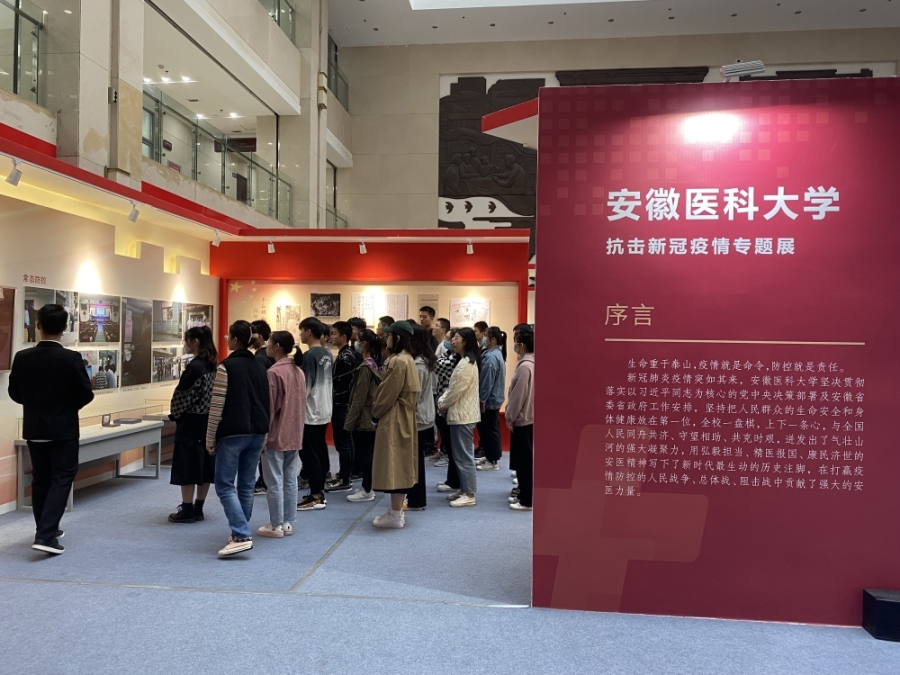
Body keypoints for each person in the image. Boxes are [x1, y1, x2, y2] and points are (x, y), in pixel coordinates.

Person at [8, 304, 94, 554]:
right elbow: (86, 394)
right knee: (62, 477)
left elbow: (14, 392)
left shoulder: (22, 357)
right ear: (65, 328)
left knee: (41, 478)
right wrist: (66, 408)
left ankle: (45, 528)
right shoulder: (71, 358)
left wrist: (35, 405)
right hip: (63, 429)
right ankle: (46, 535)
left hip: (34, 427)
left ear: (38, 326)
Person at [206, 320, 270, 557]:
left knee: (224, 484)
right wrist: (265, 435)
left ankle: (241, 533)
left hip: (232, 432)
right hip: (257, 432)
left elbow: (216, 406)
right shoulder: (260, 366)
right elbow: (266, 402)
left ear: (234, 340)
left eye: (228, 336)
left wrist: (210, 436)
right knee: (246, 484)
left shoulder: (225, 367)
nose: (226, 339)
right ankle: (240, 530)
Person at [370, 321, 420, 528]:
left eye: (389, 336)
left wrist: (375, 414)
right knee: (401, 462)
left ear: (397, 338)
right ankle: (396, 510)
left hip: (394, 417)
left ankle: (396, 514)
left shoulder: (397, 361)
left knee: (394, 462)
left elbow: (386, 393)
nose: (386, 339)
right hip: (405, 416)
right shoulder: (409, 359)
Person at [257, 331, 306, 538]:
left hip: (276, 435)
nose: (266, 345)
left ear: (277, 346)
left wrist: (263, 436)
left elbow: (270, 409)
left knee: (274, 481)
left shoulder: (274, 373)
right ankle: (287, 522)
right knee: (290, 479)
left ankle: (276, 524)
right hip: (294, 433)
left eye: (269, 342)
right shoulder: (299, 372)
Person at [167, 326, 218, 524]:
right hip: (208, 422)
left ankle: (187, 508)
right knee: (204, 466)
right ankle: (199, 507)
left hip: (191, 424)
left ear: (195, 341)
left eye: (186, 340)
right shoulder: (213, 364)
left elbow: (182, 398)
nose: (184, 344)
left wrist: (175, 414)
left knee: (187, 466)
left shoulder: (195, 367)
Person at [437, 327, 481, 508]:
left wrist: (443, 403)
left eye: (456, 338)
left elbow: (456, 390)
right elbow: (453, 388)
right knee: (459, 455)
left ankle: (469, 494)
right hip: (460, 414)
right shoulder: (464, 361)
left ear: (465, 341)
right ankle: (464, 489)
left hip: (463, 416)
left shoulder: (467, 364)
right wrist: (444, 401)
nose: (452, 341)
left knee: (464, 457)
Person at [297, 317, 333, 511]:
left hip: (311, 411)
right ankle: (318, 491)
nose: (300, 335)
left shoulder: (310, 356)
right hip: (324, 408)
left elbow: (305, 388)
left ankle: (316, 495)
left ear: (308, 332)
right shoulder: (327, 353)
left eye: (301, 331)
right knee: (318, 450)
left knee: (309, 454)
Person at [344, 329, 383, 503]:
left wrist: (349, 423)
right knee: (368, 453)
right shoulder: (375, 365)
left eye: (358, 341)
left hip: (364, 418)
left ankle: (367, 489)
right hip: (371, 417)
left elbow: (358, 398)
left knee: (365, 454)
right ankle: (368, 486)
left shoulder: (365, 369)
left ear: (364, 343)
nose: (356, 344)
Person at [406, 325, 436, 511]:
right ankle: (415, 498)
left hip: (418, 417)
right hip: (424, 415)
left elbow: (413, 397)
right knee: (416, 460)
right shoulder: (425, 360)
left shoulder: (418, 365)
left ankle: (416, 500)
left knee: (415, 461)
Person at [325, 321, 356, 493]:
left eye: (334, 333)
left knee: (343, 443)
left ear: (344, 336)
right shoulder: (346, 354)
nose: (332, 337)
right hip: (344, 404)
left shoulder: (345, 357)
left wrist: (331, 399)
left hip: (341, 405)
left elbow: (341, 386)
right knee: (346, 441)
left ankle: (345, 479)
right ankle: (346, 475)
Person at [506, 327, 534, 511]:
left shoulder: (525, 367)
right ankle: (525, 495)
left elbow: (517, 397)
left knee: (524, 462)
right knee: (526, 460)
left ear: (521, 344)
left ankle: (526, 500)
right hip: (530, 417)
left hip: (522, 419)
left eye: (515, 340)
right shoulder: (533, 363)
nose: (514, 344)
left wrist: (510, 417)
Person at [477, 326, 507, 472]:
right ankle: (490, 455)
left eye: (486, 336)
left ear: (493, 339)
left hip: (489, 400)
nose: (484, 338)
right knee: (490, 430)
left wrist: (482, 399)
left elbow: (486, 382)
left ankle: (492, 459)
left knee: (490, 431)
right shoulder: (494, 353)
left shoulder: (491, 358)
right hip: (494, 398)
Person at [251, 320, 275, 496]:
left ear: (259, 337)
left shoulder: (260, 358)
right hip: (273, 405)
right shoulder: (271, 355)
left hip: (263, 406)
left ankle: (264, 481)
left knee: (263, 447)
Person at [433, 329, 459, 476]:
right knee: (444, 432)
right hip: (442, 399)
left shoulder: (457, 359)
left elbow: (436, 365)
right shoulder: (448, 355)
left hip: (449, 403)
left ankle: (453, 477)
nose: (448, 342)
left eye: (451, 339)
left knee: (451, 441)